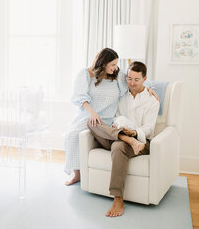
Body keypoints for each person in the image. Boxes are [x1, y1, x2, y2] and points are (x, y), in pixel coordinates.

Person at [64, 49, 158, 185]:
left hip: (109, 119)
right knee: (72, 135)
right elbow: (80, 97)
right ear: (103, 63)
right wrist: (92, 112)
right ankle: (77, 174)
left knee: (103, 125)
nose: (115, 68)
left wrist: (149, 88)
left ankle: (129, 140)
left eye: (116, 65)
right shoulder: (85, 74)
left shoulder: (117, 75)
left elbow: (134, 79)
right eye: (112, 65)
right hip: (90, 117)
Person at [87, 61, 160, 217]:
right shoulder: (121, 94)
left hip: (141, 141)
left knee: (118, 147)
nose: (132, 83)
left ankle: (118, 199)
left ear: (145, 79)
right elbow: (115, 115)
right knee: (91, 122)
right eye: (129, 78)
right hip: (118, 134)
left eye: (136, 80)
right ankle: (124, 139)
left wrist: (133, 133)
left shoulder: (152, 101)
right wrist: (116, 126)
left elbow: (149, 130)